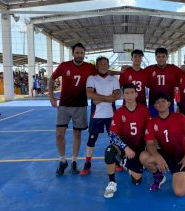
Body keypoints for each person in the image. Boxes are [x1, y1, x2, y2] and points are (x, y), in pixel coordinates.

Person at [48, 43, 98, 176]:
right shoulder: (64, 66)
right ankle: (63, 160)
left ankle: (74, 161)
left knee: (77, 134)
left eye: (82, 53)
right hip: (64, 105)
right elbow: (52, 78)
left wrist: (120, 72)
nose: (79, 55)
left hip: (80, 106)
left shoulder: (89, 67)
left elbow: (104, 72)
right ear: (73, 53)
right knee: (59, 134)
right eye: (77, 52)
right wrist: (51, 97)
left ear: (84, 54)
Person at [140, 93, 185, 197]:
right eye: (157, 102)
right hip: (165, 155)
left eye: (163, 101)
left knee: (179, 192)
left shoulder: (179, 117)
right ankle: (159, 177)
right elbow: (149, 143)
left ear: (169, 103)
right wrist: (158, 157)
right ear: (155, 106)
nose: (160, 104)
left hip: (180, 158)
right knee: (143, 157)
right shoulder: (152, 122)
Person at [103, 83, 150, 198]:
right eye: (127, 93)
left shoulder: (144, 110)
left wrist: (149, 148)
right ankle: (112, 182)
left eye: (132, 93)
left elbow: (149, 131)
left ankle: (123, 163)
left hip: (138, 148)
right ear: (123, 96)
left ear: (136, 94)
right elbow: (112, 135)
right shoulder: (119, 112)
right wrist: (125, 148)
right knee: (109, 151)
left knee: (137, 181)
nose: (129, 96)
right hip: (123, 147)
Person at [81, 56, 121, 176]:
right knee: (91, 140)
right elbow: (89, 93)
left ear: (108, 65)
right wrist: (108, 98)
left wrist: (98, 98)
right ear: (97, 66)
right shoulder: (92, 78)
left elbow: (117, 96)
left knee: (114, 139)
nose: (103, 65)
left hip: (111, 115)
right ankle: (87, 163)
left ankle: (116, 161)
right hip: (96, 115)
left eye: (105, 63)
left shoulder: (114, 79)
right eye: (101, 63)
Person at [145, 48, 183, 117]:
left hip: (168, 104)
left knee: (169, 125)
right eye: (158, 57)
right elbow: (137, 72)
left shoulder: (174, 69)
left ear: (167, 57)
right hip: (153, 104)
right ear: (155, 58)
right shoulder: (149, 69)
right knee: (154, 124)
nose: (161, 59)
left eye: (163, 56)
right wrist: (128, 68)